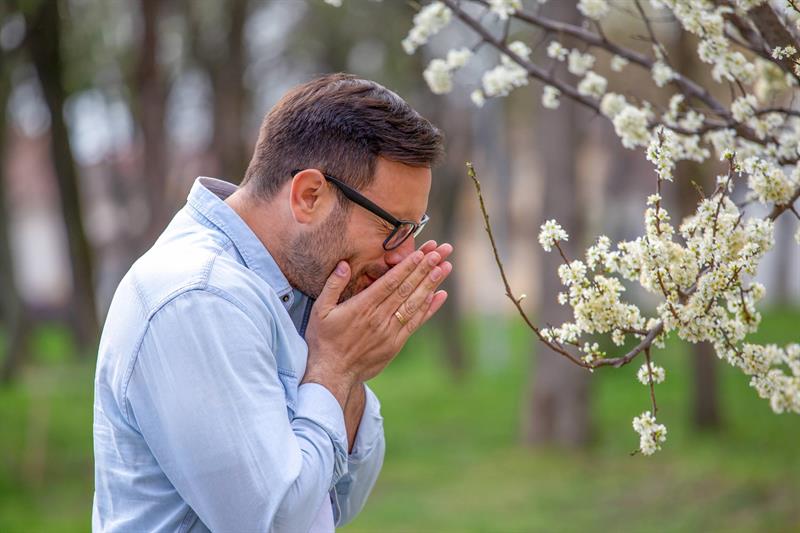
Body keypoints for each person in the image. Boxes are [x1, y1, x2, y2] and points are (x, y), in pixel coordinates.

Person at [92, 73, 454, 532]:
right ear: (309, 196)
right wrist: (336, 368)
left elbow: (336, 503)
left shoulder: (295, 287)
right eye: (391, 227)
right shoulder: (199, 298)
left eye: (413, 229)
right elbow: (276, 523)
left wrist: (351, 369)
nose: (403, 257)